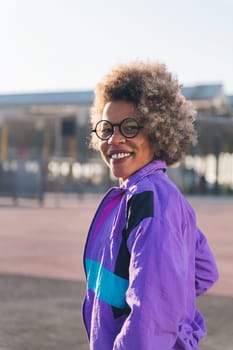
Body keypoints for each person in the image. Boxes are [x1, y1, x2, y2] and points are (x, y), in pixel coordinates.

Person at [82, 61, 219, 350]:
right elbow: (204, 270)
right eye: (106, 128)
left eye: (130, 127)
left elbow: (151, 313)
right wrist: (173, 301)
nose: (115, 138)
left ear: (158, 132)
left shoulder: (149, 201)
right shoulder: (148, 195)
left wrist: (167, 311)